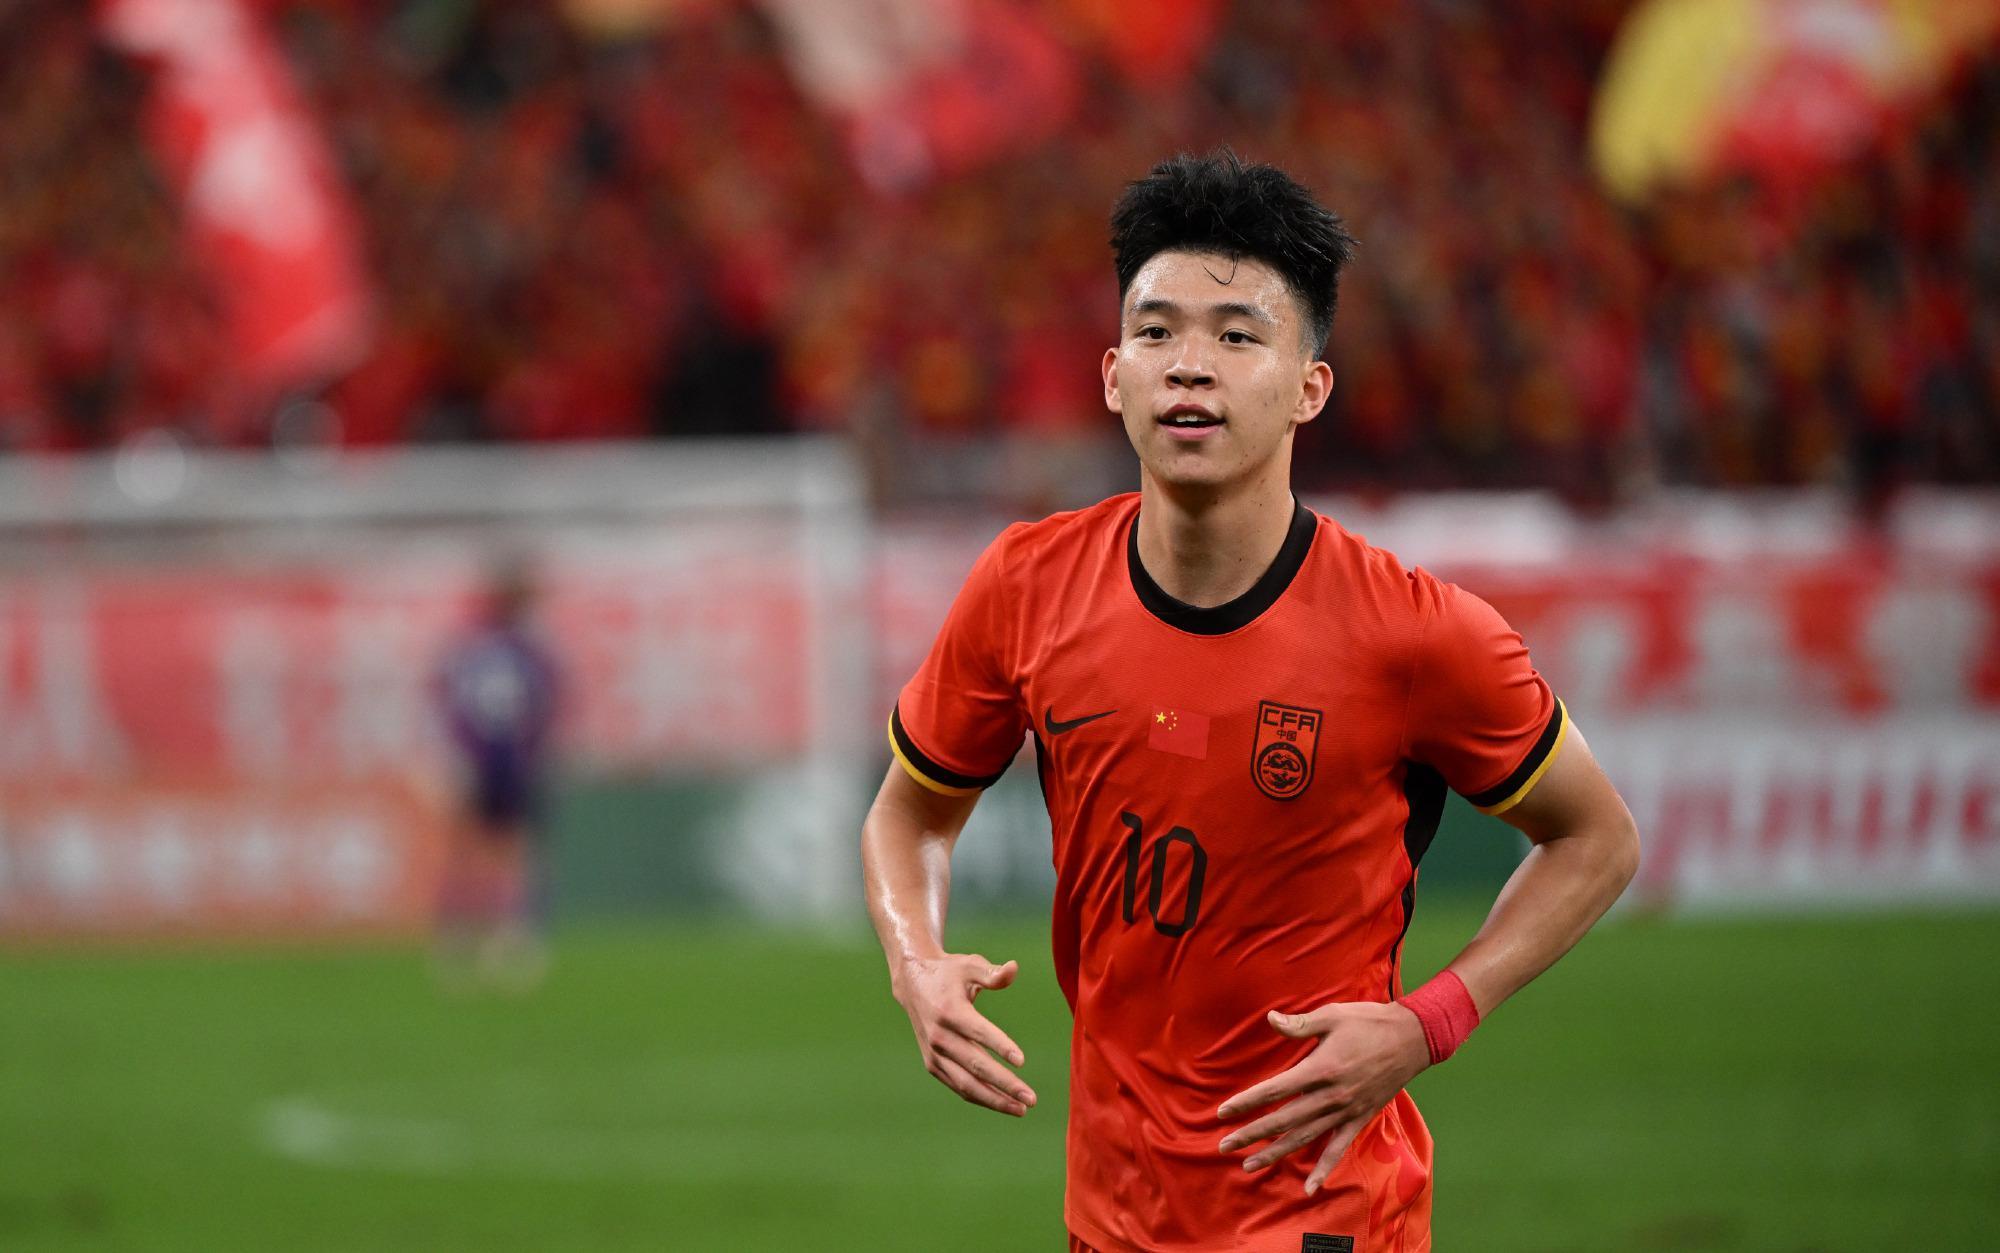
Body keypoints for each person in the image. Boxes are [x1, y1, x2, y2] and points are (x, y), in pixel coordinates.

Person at [862, 149, 1640, 1252]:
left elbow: (1597, 838)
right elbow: (909, 811)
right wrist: (916, 962)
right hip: (1110, 1209)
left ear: (1308, 388)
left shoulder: (1415, 633)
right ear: (1113, 376)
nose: (1190, 366)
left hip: (1321, 1209)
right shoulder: (1026, 586)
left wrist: (1426, 1022)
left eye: (1236, 337)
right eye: (1156, 332)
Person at [433, 558, 561, 991]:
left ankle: (462, 934)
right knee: (515, 850)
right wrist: (537, 754)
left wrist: (455, 755)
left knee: (471, 849)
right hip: (512, 761)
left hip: (477, 760)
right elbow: (547, 707)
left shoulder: (470, 649)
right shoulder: (529, 652)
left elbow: (448, 704)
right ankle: (512, 933)